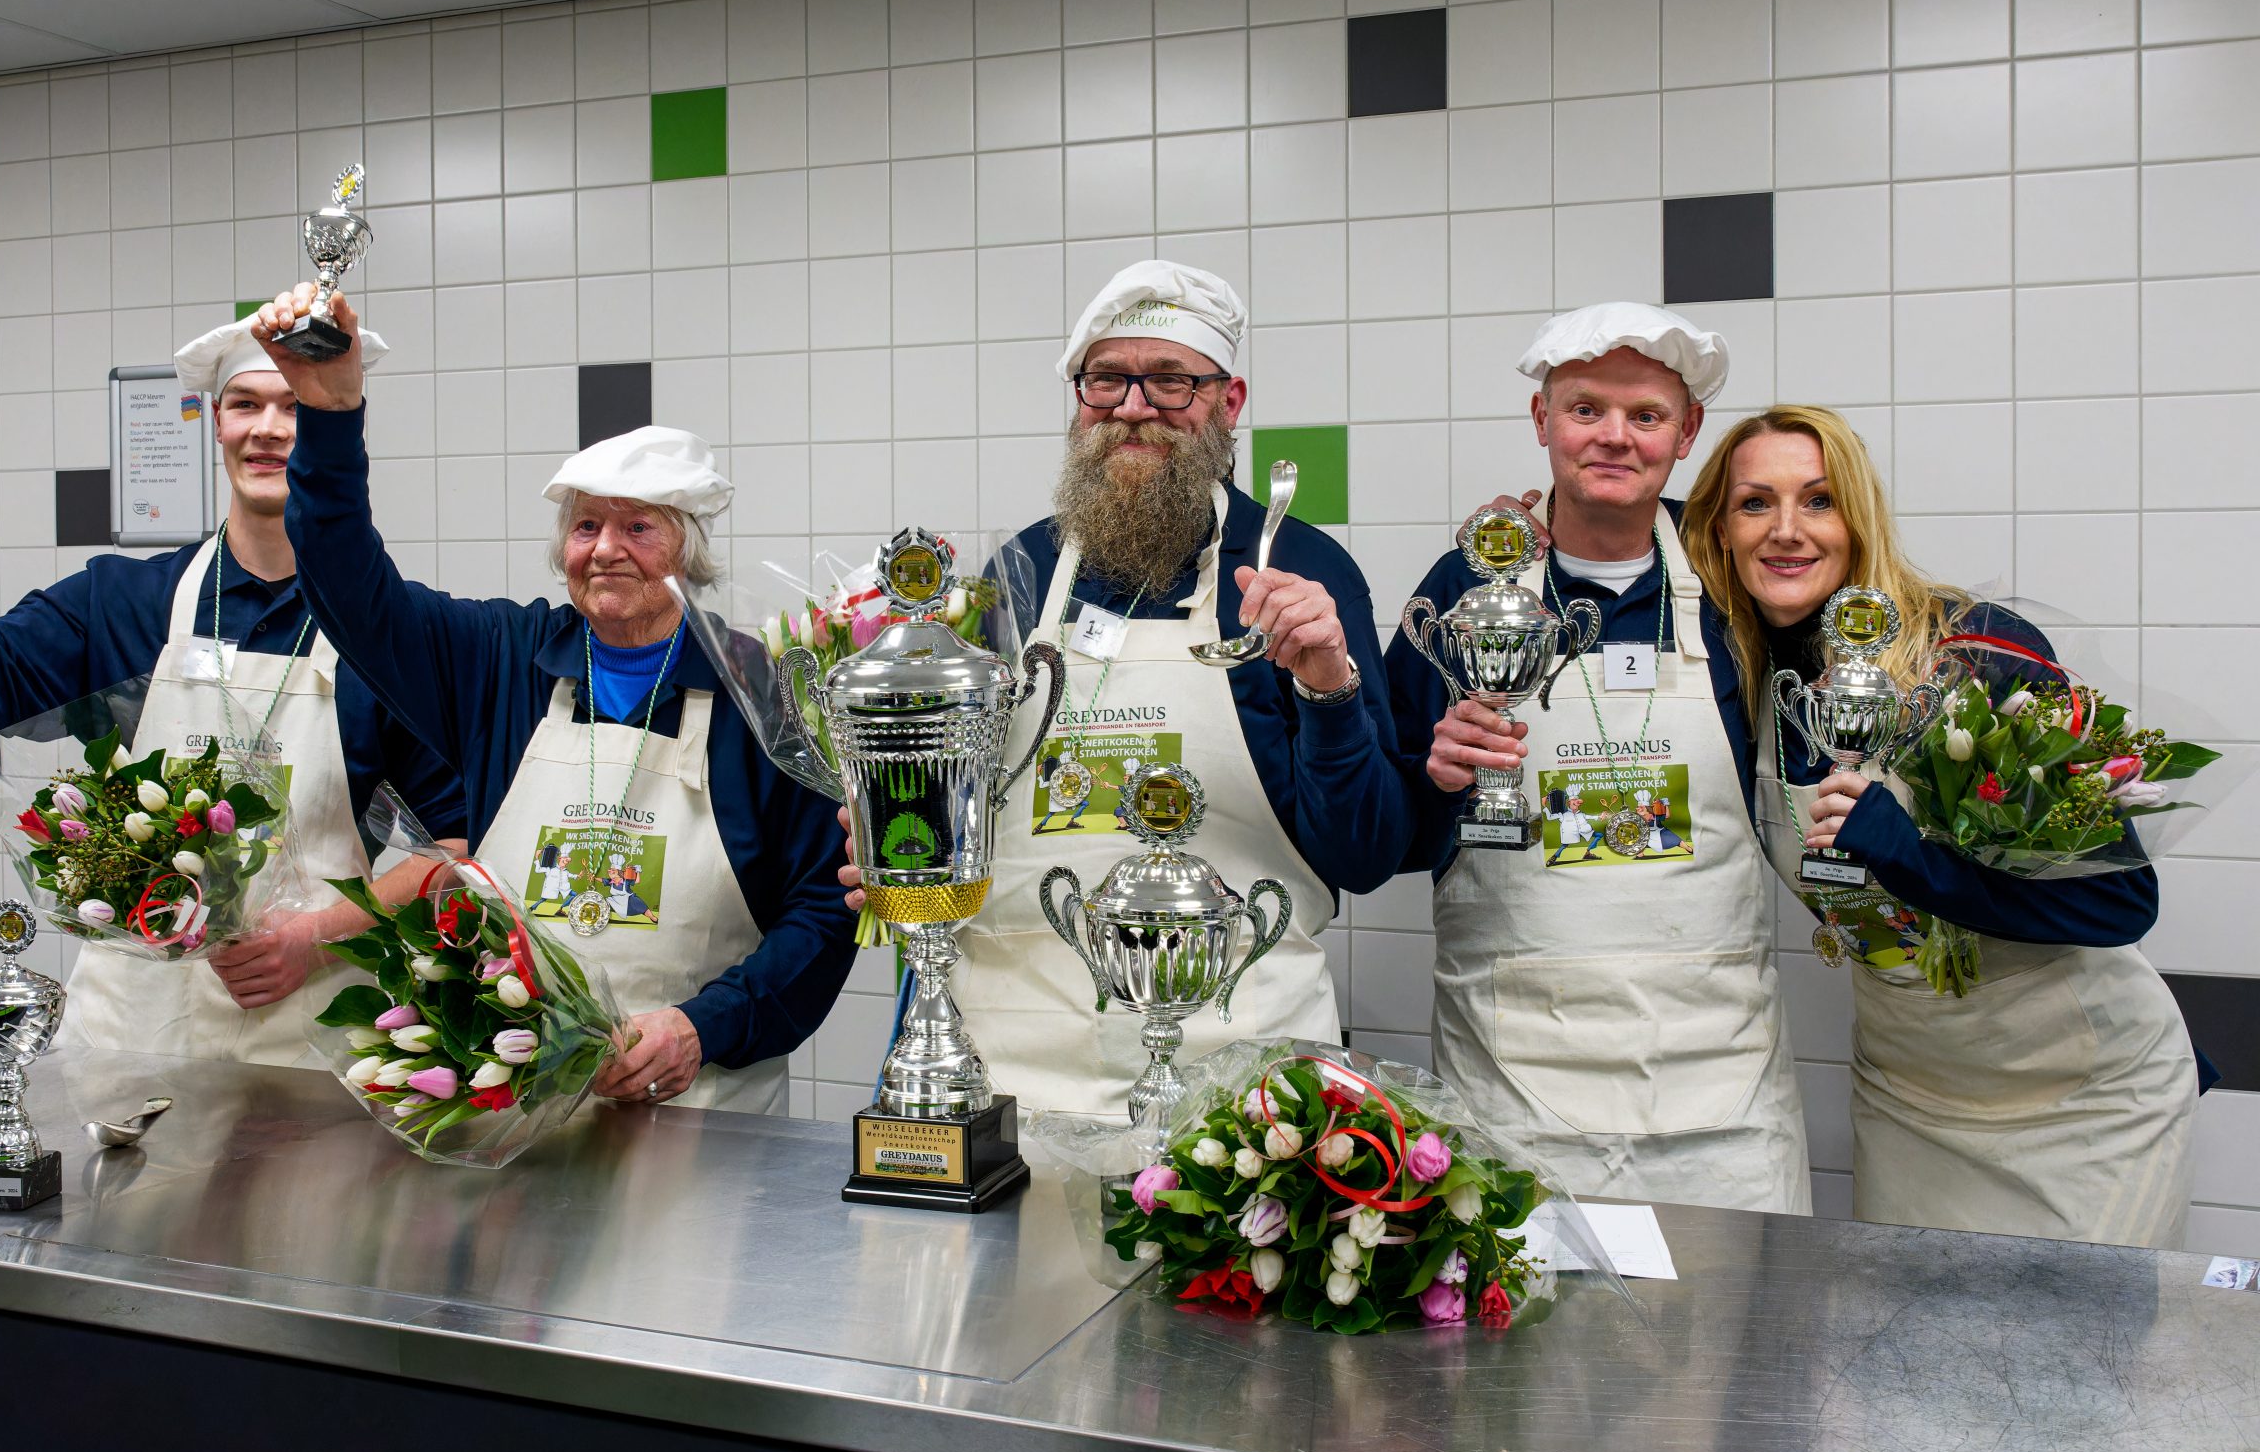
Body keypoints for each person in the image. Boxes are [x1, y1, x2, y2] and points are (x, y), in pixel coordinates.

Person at [0, 318, 468, 1067]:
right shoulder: (119, 602)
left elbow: (455, 850)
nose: (269, 429)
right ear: (216, 422)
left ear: (334, 428)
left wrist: (315, 937)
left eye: (296, 407)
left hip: (307, 1049)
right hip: (133, 1046)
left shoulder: (392, 631)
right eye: (245, 404)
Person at [259, 282, 855, 1111]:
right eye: (585, 526)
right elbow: (353, 591)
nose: (605, 549)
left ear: (688, 550)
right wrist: (330, 416)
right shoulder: (501, 660)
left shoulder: (766, 691)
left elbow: (825, 910)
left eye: (638, 527)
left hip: (705, 1119)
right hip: (515, 1111)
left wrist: (701, 1027)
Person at [845, 259, 1417, 1116]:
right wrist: (900, 834)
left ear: (1229, 401)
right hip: (1011, 1072)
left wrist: (1330, 691)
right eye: (1106, 379)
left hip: (1238, 1091)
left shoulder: (1300, 572)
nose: (1133, 407)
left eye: (1171, 380)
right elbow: (958, 802)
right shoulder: (1017, 573)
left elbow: (1368, 856)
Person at [1680, 404, 2197, 1246]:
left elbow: (2121, 903)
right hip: (1910, 1101)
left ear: (1859, 516)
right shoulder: (1742, 676)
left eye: (1819, 499)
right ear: (1720, 530)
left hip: (2083, 1104)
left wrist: (1909, 853)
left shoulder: (1971, 652)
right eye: (1754, 503)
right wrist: (1546, 521)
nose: (1786, 529)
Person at [1388, 302, 1809, 1213]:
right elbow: (1385, 831)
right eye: (1585, 409)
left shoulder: (1732, 575)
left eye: (1646, 415)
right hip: (1517, 1087)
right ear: (1542, 419)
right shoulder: (1468, 584)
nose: (1615, 436)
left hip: (1722, 1094)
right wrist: (1436, 774)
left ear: (1687, 433)